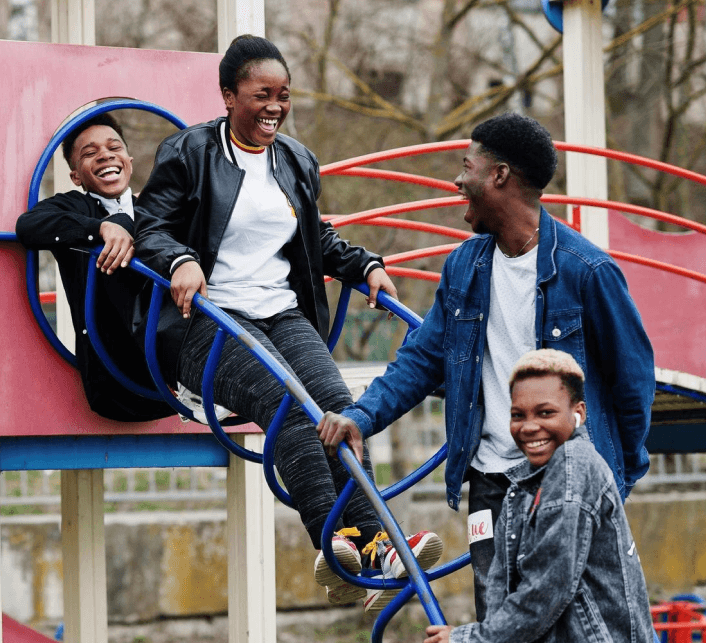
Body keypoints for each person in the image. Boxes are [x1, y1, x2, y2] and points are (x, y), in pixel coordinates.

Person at [132, 34, 441, 611]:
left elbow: (313, 238)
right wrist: (180, 260)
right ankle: (336, 545)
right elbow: (148, 226)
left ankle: (377, 547)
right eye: (260, 94)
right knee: (290, 407)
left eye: (284, 95)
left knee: (339, 408)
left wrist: (364, 264)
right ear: (228, 96)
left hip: (280, 311)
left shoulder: (295, 159)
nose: (275, 106)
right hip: (209, 321)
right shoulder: (189, 152)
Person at [317, 112, 655, 620]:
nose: (457, 180)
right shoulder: (464, 267)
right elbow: (422, 360)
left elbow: (634, 384)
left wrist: (609, 488)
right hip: (492, 483)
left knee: (568, 618)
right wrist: (360, 418)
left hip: (562, 483)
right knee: (497, 617)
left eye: (466, 166)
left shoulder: (587, 272)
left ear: (498, 176)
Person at [423, 349, 654, 643]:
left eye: (546, 413)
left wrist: (470, 639)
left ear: (578, 413)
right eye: (518, 415)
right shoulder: (523, 484)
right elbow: (501, 584)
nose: (530, 427)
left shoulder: (574, 466)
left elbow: (548, 587)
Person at [15, 113, 173, 421]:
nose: (104, 154)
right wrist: (101, 228)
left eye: (114, 147)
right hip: (115, 379)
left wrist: (130, 221)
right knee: (119, 240)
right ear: (76, 176)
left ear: (128, 159)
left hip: (168, 373)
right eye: (89, 153)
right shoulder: (76, 208)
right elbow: (29, 225)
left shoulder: (155, 209)